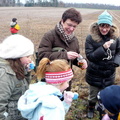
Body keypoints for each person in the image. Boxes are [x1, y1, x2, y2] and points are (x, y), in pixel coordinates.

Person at [37, 8, 87, 90]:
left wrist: (82, 63)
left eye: (74, 26)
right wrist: (65, 55)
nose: (71, 29)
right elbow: (42, 55)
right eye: (69, 25)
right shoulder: (49, 36)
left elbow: (75, 58)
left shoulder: (74, 40)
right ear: (62, 21)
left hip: (66, 83)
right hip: (50, 83)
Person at [85, 10, 120, 118]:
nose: (104, 29)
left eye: (107, 26)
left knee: (106, 95)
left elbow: (119, 51)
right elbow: (90, 56)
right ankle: (91, 108)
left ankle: (104, 110)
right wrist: (103, 48)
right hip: (95, 73)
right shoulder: (90, 38)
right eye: (102, 26)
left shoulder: (115, 37)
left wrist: (116, 61)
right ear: (98, 25)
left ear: (111, 26)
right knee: (93, 95)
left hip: (109, 73)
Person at [0, 34, 34, 120]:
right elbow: (1, 102)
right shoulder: (5, 75)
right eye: (27, 56)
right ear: (17, 56)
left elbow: (23, 88)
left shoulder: (18, 68)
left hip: (19, 113)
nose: (30, 59)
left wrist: (27, 73)